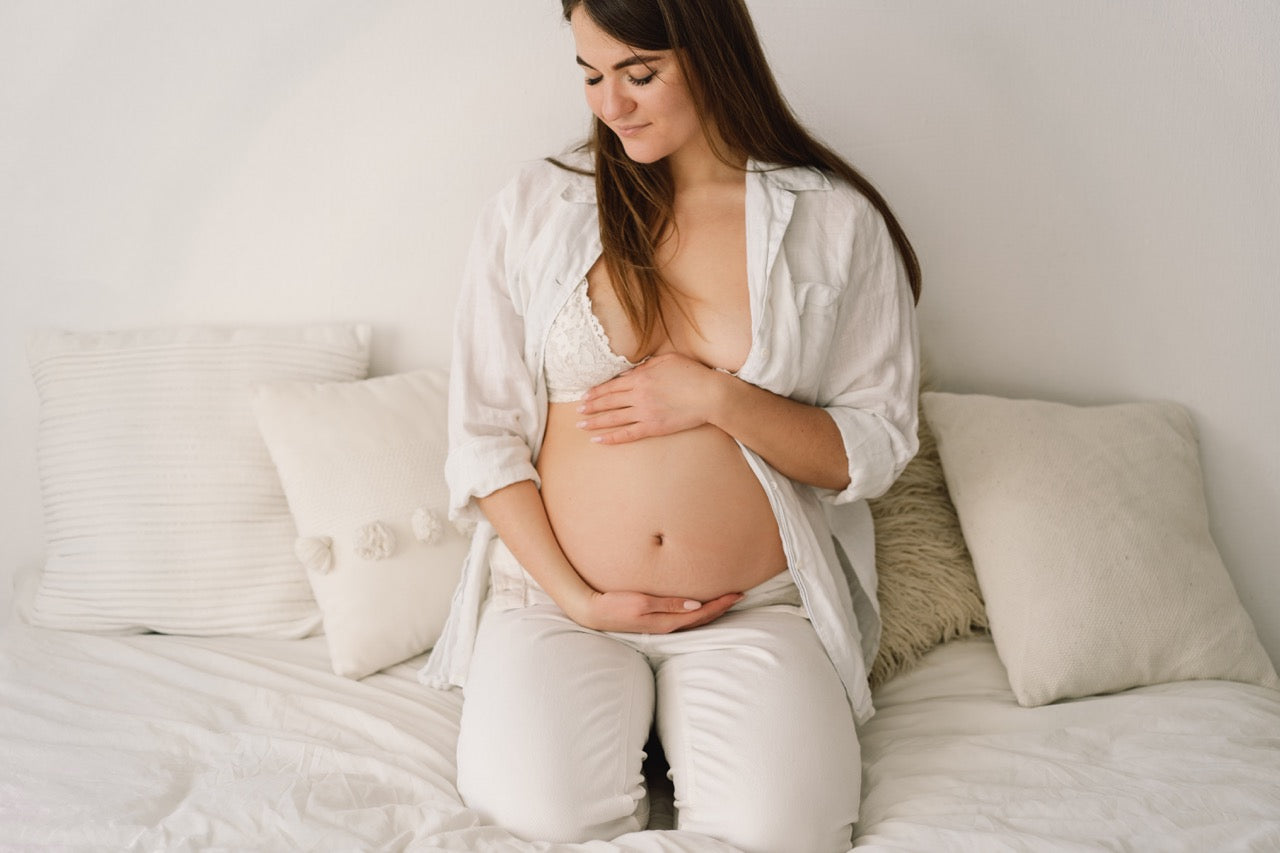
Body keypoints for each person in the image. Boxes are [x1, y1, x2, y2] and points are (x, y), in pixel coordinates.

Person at [419, 0, 921, 849]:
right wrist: (580, 598)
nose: (609, 106)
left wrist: (715, 397)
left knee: (787, 833)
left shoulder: (832, 220)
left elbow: (870, 449)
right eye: (590, 76)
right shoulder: (539, 204)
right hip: (557, 602)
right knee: (538, 823)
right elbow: (484, 436)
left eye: (638, 74)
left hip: (751, 608)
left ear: (713, 54)